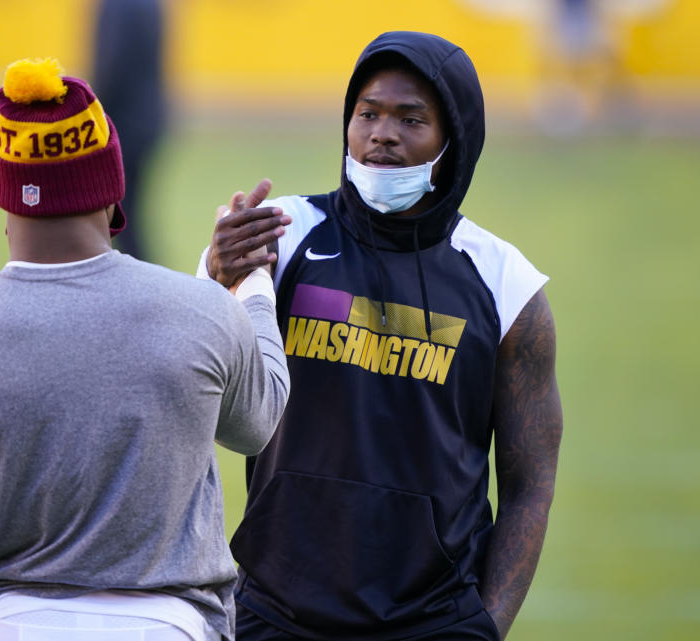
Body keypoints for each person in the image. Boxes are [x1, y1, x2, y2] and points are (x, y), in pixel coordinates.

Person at [0, 58, 289, 641]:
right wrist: (251, 286)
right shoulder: (202, 313)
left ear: (4, 193)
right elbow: (257, 424)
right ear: (112, 191)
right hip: (172, 625)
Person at [199, 32, 563, 640]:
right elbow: (192, 398)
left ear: (455, 139)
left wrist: (486, 627)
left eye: (411, 119)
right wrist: (217, 279)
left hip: (434, 621)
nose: (382, 134)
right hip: (275, 613)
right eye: (367, 113)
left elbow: (530, 486)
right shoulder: (278, 239)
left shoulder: (507, 286)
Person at [91, 0, 166, 261]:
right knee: (130, 216)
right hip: (147, 119)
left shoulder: (117, 5)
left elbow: (111, 65)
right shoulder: (149, 4)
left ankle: (148, 289)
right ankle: (150, 285)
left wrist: (91, 111)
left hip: (123, 124)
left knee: (121, 217)